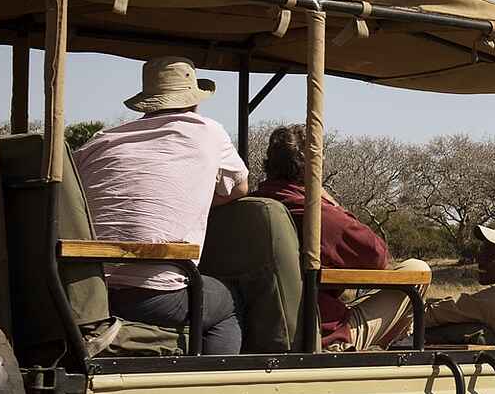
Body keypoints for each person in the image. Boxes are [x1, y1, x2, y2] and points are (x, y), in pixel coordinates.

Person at [75, 56, 248, 354]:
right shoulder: (208, 131)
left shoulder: (101, 140)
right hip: (155, 295)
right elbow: (240, 187)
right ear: (194, 101)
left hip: (87, 291)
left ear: (147, 103)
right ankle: (212, 386)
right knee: (228, 303)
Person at [252, 126, 427, 351]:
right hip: (320, 333)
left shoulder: (254, 204)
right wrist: (331, 203)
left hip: (260, 327)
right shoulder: (315, 212)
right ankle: (374, 350)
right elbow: (378, 256)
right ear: (312, 167)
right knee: (416, 270)